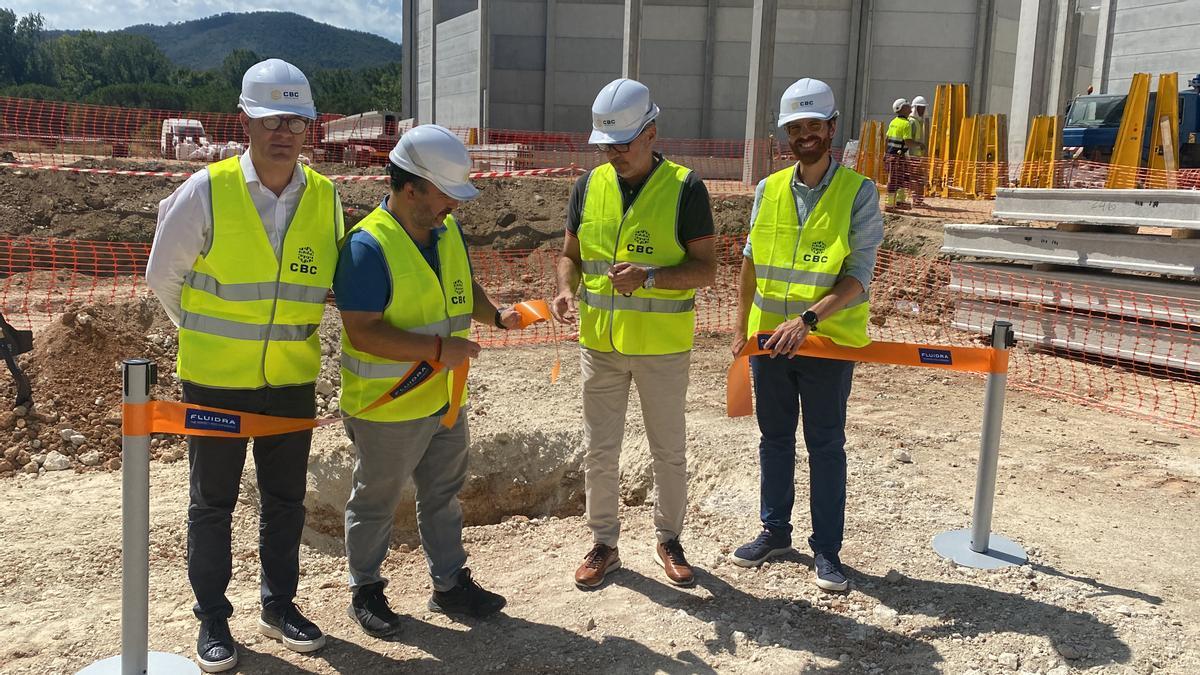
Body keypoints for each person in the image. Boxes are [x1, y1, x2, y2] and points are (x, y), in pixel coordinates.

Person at [146, 58, 341, 672]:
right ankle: (213, 618)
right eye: (270, 119)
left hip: (290, 381)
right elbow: (163, 276)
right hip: (216, 382)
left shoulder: (326, 197)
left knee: (285, 502)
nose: (283, 131)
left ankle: (279, 605)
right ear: (246, 121)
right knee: (212, 503)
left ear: (308, 126)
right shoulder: (207, 190)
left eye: (295, 119)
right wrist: (206, 337)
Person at [337, 124, 521, 637]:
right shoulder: (365, 248)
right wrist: (439, 350)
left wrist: (497, 315)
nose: (454, 207)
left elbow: (462, 285)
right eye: (446, 195)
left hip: (443, 397)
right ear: (411, 186)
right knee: (376, 499)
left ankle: (449, 585)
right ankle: (366, 589)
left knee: (443, 492)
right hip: (387, 406)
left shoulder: (446, 232)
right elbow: (364, 331)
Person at [550, 78, 717, 589]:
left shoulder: (685, 188)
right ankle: (604, 543)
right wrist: (563, 287)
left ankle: (669, 539)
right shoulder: (588, 186)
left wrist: (650, 277)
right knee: (600, 449)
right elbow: (569, 256)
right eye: (605, 145)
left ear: (651, 133)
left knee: (668, 451)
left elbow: (706, 269)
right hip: (599, 345)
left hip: (662, 348)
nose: (613, 154)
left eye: (622, 143)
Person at [730, 78, 884, 593]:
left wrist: (809, 321)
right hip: (769, 343)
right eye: (796, 128)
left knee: (825, 445)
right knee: (773, 440)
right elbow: (750, 263)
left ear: (831, 128)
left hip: (824, 344)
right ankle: (774, 532)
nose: (805, 135)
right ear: (786, 135)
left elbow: (859, 275)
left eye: (814, 125)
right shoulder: (768, 190)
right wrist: (740, 327)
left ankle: (827, 551)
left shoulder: (858, 193)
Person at [884, 97, 921, 210]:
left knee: (900, 178)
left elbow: (886, 138)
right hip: (898, 157)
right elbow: (908, 141)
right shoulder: (906, 124)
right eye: (907, 105)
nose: (910, 107)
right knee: (894, 180)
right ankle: (890, 204)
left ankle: (899, 202)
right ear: (902, 108)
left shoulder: (893, 122)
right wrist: (919, 145)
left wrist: (885, 154)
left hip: (892, 155)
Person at [908, 95, 928, 205]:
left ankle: (919, 199)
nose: (922, 110)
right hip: (912, 156)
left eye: (923, 108)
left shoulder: (919, 122)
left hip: (918, 156)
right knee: (915, 178)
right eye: (920, 108)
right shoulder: (912, 122)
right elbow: (909, 140)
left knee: (919, 178)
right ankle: (916, 199)